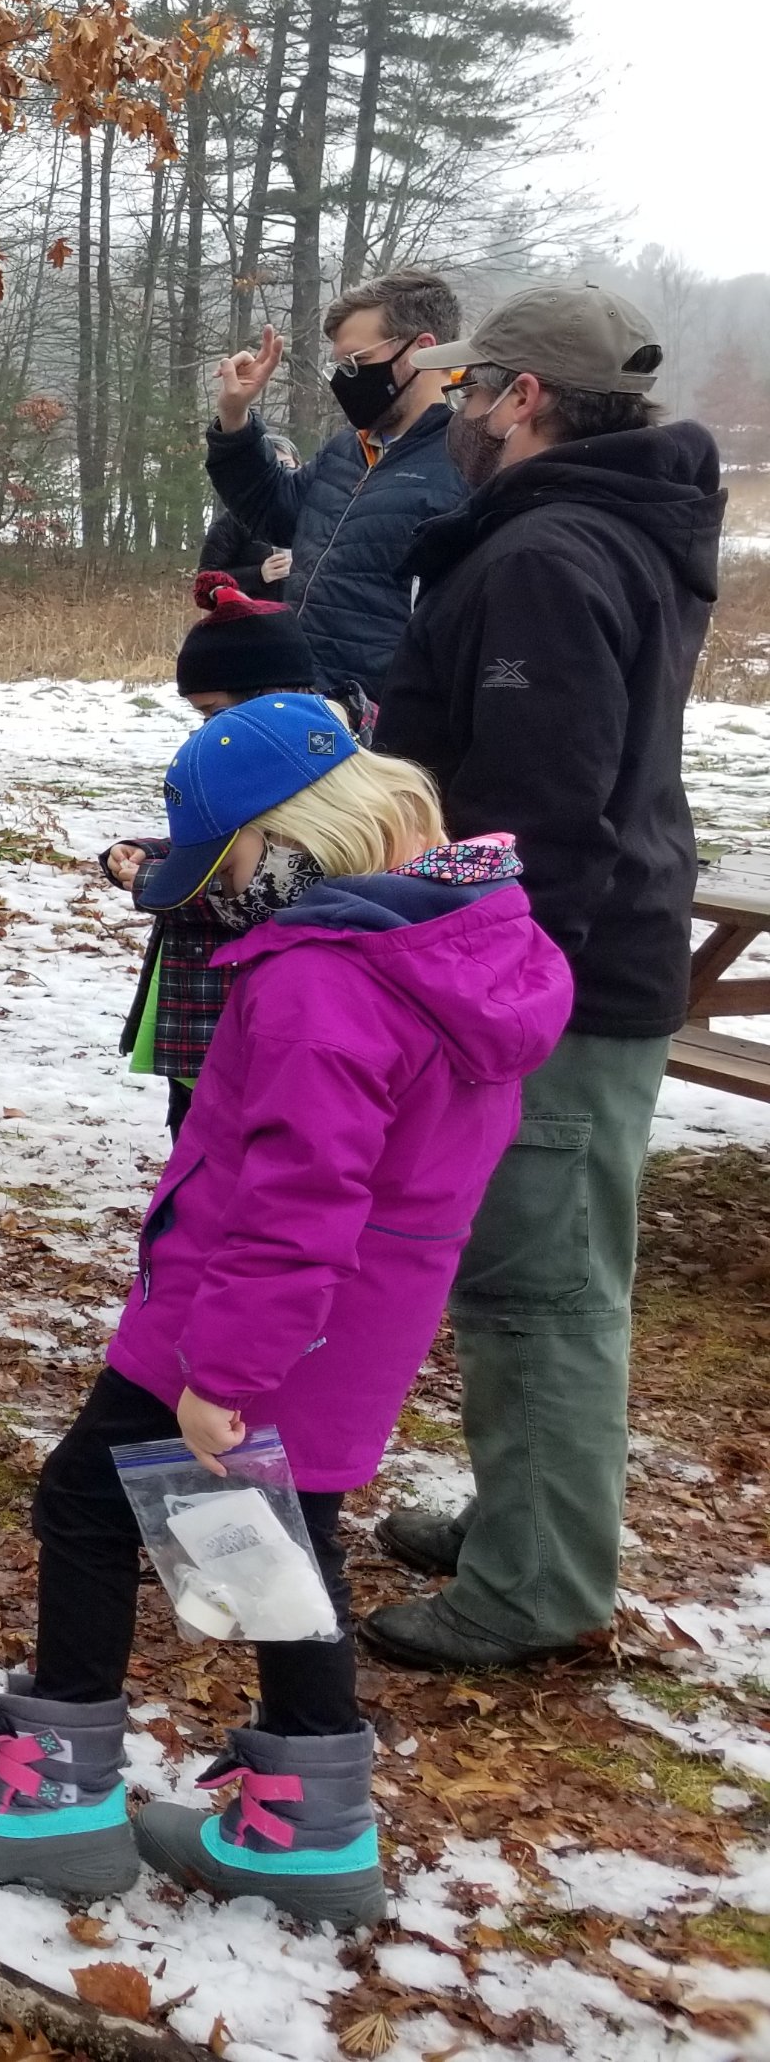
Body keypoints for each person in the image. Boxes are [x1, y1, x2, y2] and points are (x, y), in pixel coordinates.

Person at [0, 701, 569, 1927]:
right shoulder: (463, 937)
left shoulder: (324, 979)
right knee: (274, 1545)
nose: (226, 891)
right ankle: (306, 1828)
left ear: (296, 834)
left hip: (243, 1320)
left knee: (87, 1504)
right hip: (351, 1322)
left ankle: (55, 1803)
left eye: (235, 861)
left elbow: (300, 1200)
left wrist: (225, 1374)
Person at [362, 282, 722, 1673]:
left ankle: (538, 1582)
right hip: (565, 960)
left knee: (543, 1288)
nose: (449, 410)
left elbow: (540, 810)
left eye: (468, 388)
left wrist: (491, 991)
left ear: (523, 399)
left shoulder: (548, 554)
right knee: (530, 1267)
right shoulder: (598, 529)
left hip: (551, 976)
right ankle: (522, 1519)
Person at [100, 574, 351, 1137]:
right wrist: (152, 850)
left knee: (229, 1145)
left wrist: (153, 879)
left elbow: (272, 888)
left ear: (267, 698)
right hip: (205, 1008)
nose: (206, 730)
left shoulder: (319, 773)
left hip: (241, 1012)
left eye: (211, 712)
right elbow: (222, 837)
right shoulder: (268, 749)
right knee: (193, 1136)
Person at [207, 269, 468, 700]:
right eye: (339, 366)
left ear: (422, 350)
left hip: (384, 721)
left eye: (356, 363)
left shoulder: (467, 462)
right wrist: (234, 418)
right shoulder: (350, 446)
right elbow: (274, 512)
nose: (343, 380)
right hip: (303, 701)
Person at [195, 430, 303, 601]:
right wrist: (258, 575)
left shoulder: (316, 518)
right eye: (271, 466)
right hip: (250, 615)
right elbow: (205, 582)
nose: (279, 473)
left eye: (286, 465)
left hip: (304, 615)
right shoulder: (232, 522)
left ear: (299, 467)